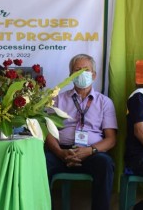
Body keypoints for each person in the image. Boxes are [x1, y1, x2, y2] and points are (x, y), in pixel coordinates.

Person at [45, 54, 117, 210]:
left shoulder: (105, 102)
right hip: (62, 151)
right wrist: (60, 153)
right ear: (71, 75)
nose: (82, 73)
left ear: (94, 75)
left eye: (86, 70)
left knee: (105, 164)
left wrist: (90, 151)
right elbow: (49, 132)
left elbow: (111, 139)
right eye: (77, 70)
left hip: (91, 153)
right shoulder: (57, 100)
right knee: (40, 163)